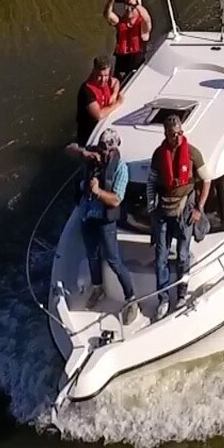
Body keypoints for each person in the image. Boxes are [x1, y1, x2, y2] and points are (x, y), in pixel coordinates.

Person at [70, 130, 137, 321]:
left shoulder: (120, 169)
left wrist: (98, 191)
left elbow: (116, 199)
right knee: (91, 255)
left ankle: (131, 298)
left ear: (114, 148)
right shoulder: (93, 158)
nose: (104, 153)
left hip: (105, 220)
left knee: (114, 260)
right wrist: (82, 152)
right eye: (101, 148)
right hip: (87, 216)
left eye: (107, 149)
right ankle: (98, 287)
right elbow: (69, 149)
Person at [149, 112, 209, 318]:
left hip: (185, 209)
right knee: (161, 256)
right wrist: (151, 209)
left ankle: (182, 294)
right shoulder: (158, 155)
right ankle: (163, 298)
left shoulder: (193, 154)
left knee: (183, 254)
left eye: (179, 133)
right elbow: (152, 182)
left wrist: (199, 208)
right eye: (172, 134)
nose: (177, 137)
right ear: (166, 134)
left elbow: (207, 180)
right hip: (163, 209)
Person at [106, 0, 152, 81]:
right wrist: (111, 0)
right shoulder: (120, 22)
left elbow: (147, 19)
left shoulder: (143, 25)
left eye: (132, 7)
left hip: (136, 64)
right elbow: (107, 14)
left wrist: (135, 4)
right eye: (127, 6)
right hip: (122, 64)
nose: (129, 9)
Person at [76, 56, 122, 144]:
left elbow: (116, 82)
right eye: (99, 76)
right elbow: (98, 115)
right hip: (89, 134)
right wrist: (117, 103)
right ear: (94, 71)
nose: (103, 80)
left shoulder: (107, 80)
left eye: (106, 75)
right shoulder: (87, 91)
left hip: (103, 126)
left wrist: (114, 94)